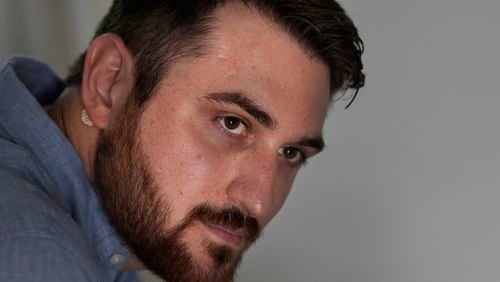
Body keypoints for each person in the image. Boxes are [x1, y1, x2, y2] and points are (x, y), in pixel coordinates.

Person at [0, 0, 364, 281]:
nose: (258, 200)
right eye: (232, 123)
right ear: (108, 83)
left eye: (291, 152)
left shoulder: (109, 231)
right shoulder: (37, 256)